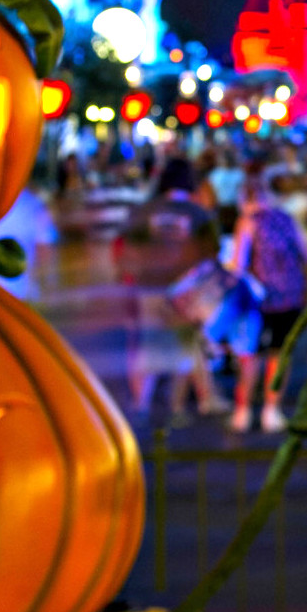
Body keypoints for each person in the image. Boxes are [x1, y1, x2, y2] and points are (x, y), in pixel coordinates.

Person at [116, 157, 224, 421]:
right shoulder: (198, 213)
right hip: (186, 289)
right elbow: (212, 254)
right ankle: (184, 405)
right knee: (185, 345)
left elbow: (126, 248)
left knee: (148, 345)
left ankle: (140, 403)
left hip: (148, 286)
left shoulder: (145, 211)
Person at [229, 175, 307, 432]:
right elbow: (306, 256)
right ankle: (271, 410)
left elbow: (238, 264)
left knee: (250, 356)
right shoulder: (287, 219)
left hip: (259, 300)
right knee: (279, 355)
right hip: (289, 297)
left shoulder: (247, 222)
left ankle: (243, 411)